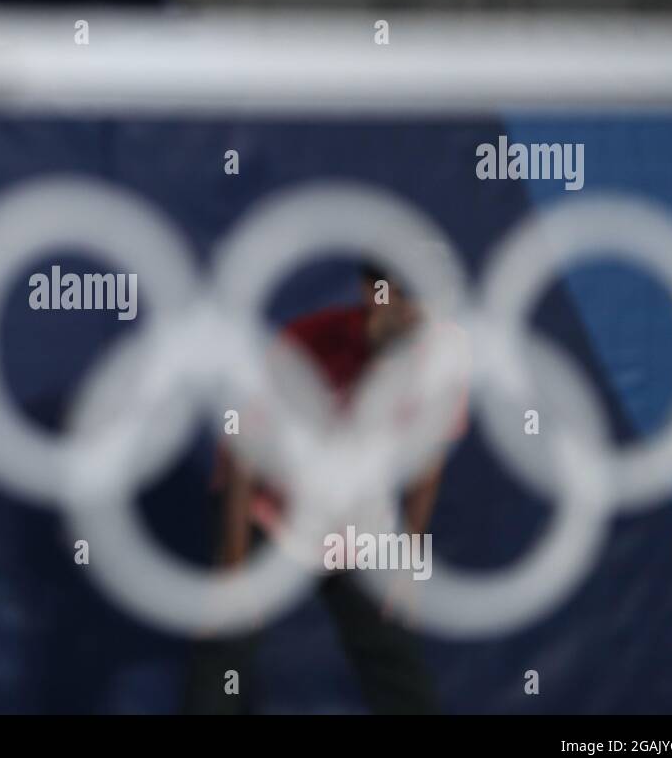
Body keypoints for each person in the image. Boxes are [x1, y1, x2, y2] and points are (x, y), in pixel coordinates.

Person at [194, 262, 467, 714]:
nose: (413, 312)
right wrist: (237, 567)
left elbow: (427, 461)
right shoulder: (301, 347)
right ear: (370, 293)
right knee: (226, 646)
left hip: (359, 522)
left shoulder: (446, 357)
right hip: (271, 510)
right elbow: (245, 456)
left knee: (395, 659)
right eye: (400, 294)